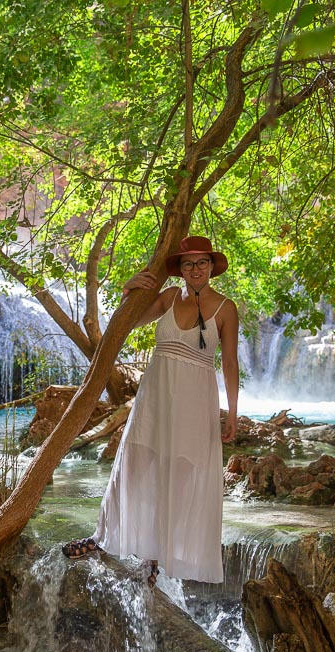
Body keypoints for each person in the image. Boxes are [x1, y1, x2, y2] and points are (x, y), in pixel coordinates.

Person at [61, 235, 239, 588]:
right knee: (132, 463)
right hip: (155, 395)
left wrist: (232, 413)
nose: (195, 269)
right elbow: (127, 324)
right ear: (180, 270)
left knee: (179, 474)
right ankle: (102, 537)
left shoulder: (225, 308)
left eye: (202, 262)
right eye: (188, 264)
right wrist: (128, 291)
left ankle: (154, 560)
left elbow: (231, 363)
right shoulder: (170, 297)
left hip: (195, 401)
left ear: (211, 266)